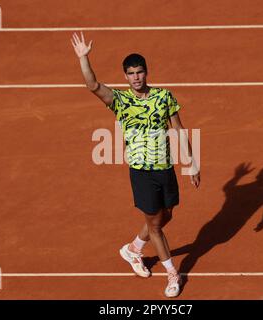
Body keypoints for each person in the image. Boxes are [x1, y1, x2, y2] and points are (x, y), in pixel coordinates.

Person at [71, 32, 200, 298]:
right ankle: (173, 274)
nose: (136, 77)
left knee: (167, 215)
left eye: (140, 72)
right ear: (125, 77)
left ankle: (133, 249)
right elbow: (93, 85)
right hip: (141, 172)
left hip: (165, 167)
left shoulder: (164, 97)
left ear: (146, 72)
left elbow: (178, 129)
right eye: (131, 74)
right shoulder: (120, 101)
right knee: (154, 225)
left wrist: (191, 163)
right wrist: (84, 59)